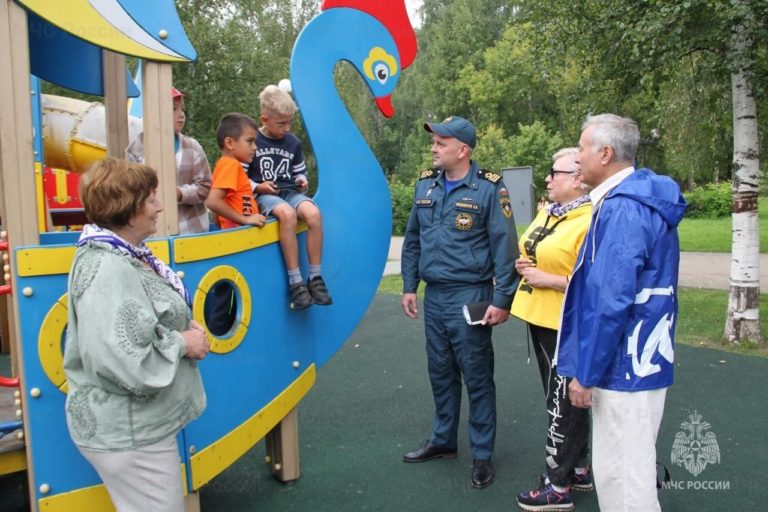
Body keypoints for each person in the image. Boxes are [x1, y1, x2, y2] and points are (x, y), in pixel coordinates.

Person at [556, 114, 687, 511]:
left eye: (581, 148)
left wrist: (587, 372)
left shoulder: (624, 209)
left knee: (624, 480)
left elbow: (611, 299)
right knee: (631, 468)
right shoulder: (636, 200)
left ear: (606, 153)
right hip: (643, 358)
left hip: (623, 366)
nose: (577, 158)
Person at [63, 157, 209, 511]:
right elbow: (119, 360)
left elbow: (133, 323)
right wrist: (182, 343)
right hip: (131, 435)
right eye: (150, 198)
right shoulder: (109, 269)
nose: (159, 206)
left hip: (140, 430)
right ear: (126, 209)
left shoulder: (125, 254)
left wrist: (176, 328)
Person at [400, 116, 519, 489]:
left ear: (462, 150)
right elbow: (413, 239)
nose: (433, 148)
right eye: (433, 142)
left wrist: (501, 300)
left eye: (440, 142)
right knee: (440, 371)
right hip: (435, 296)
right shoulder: (426, 185)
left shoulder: (489, 189)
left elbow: (505, 248)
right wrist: (409, 285)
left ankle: (482, 454)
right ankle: (443, 440)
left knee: (477, 375)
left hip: (471, 294)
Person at [512, 149, 593, 511]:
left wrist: (549, 279)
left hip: (567, 321)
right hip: (539, 316)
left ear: (578, 179)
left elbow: (595, 282)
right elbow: (534, 246)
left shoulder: (593, 218)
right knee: (561, 397)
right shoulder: (551, 210)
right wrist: (525, 262)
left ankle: (557, 486)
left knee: (563, 401)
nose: (547, 178)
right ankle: (579, 468)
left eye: (554, 173)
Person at [248, 85, 331, 310]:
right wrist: (258, 186)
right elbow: (241, 177)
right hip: (267, 195)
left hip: (290, 191)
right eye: (281, 123)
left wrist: (302, 180)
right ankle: (295, 281)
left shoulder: (293, 142)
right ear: (264, 119)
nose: (287, 128)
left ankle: (315, 278)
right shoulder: (252, 140)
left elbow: (299, 172)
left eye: (290, 123)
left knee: (314, 214)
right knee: (287, 215)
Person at [205, 113, 267, 334]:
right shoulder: (230, 165)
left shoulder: (231, 166)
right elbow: (213, 201)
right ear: (230, 143)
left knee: (231, 297)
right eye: (250, 141)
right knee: (226, 298)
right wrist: (245, 219)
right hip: (234, 242)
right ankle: (214, 347)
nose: (254, 148)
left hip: (236, 240)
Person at [126, 86, 212, 234]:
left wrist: (180, 193)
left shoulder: (192, 147)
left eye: (182, 109)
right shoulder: (137, 148)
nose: (181, 115)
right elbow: (129, 188)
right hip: (152, 233)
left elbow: (205, 186)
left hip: (191, 231)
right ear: (155, 113)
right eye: (173, 109)